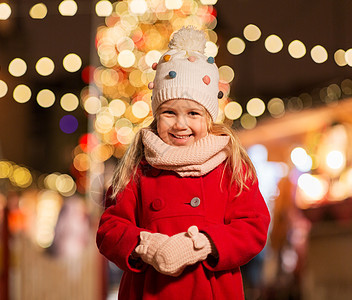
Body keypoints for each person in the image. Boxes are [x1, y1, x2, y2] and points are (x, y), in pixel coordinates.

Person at [96, 26, 270, 299]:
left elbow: (253, 226)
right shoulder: (138, 167)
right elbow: (109, 229)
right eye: (169, 112)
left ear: (209, 117)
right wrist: (146, 245)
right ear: (156, 114)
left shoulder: (230, 165)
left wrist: (204, 244)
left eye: (193, 113)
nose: (181, 124)